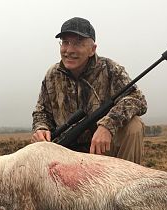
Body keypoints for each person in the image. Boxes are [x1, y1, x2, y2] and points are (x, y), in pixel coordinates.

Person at [31, 17, 147, 164]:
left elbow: (137, 99)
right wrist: (41, 129)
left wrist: (107, 125)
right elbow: (41, 112)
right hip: (63, 149)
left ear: (92, 49)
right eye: (65, 42)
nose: (69, 50)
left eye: (78, 43)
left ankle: (128, 182)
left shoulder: (111, 69)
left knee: (134, 125)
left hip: (100, 149)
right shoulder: (52, 74)